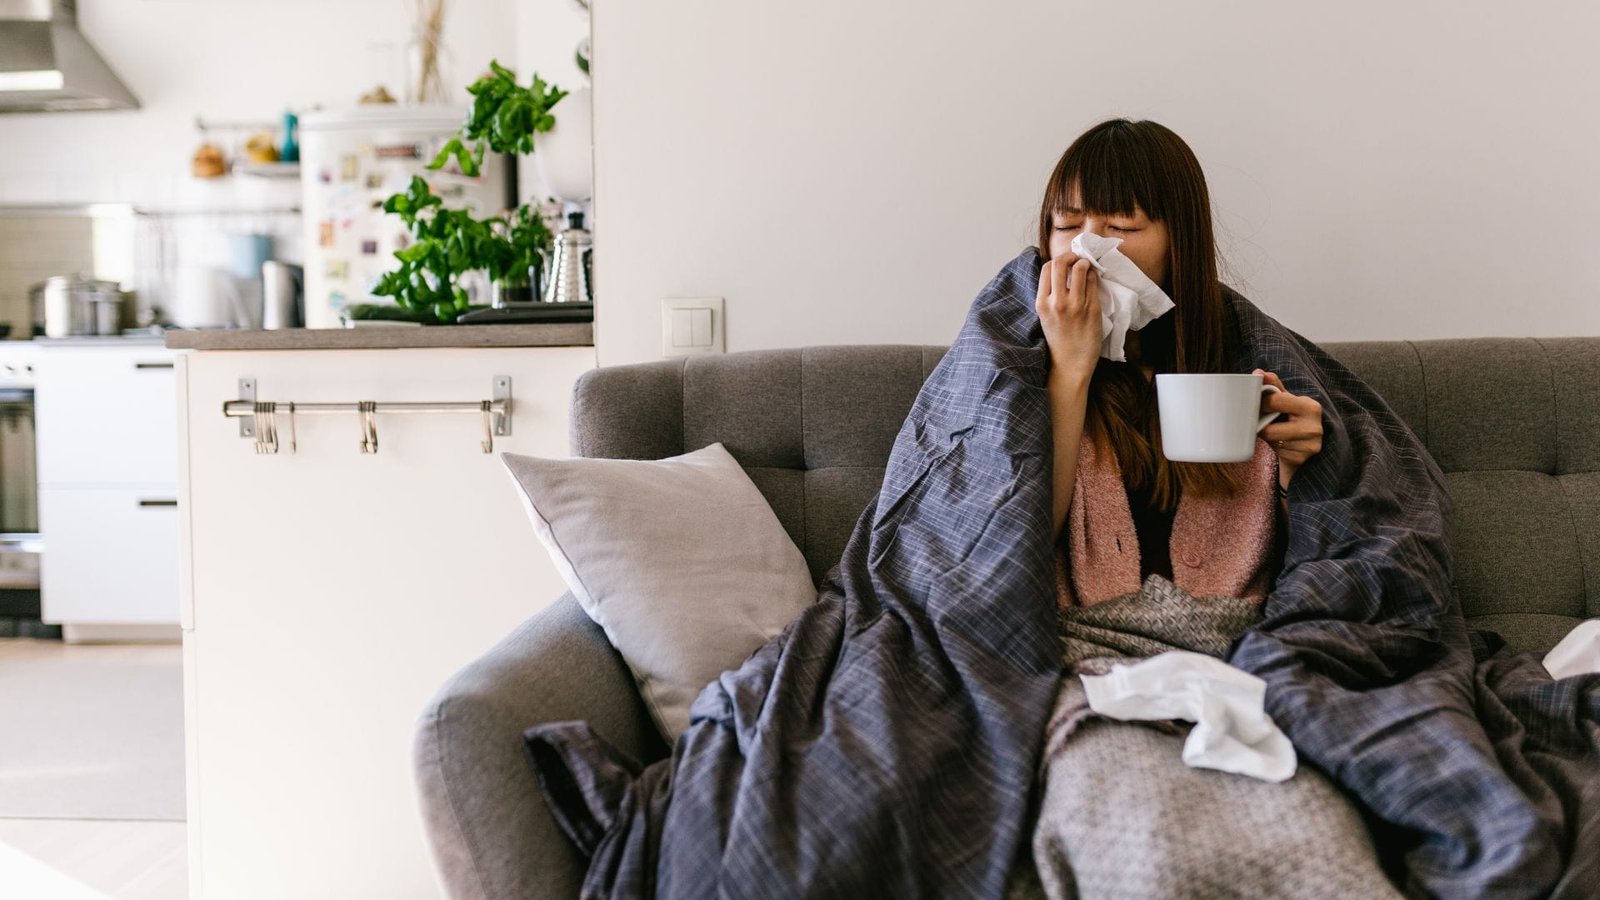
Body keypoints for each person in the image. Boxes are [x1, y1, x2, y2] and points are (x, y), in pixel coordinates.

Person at [1032, 118, 1324, 601]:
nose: (1085, 248)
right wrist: (1070, 368)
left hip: (1235, 640)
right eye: (1066, 225)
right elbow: (1011, 546)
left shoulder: (1246, 357)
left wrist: (1296, 471)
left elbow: (1316, 563)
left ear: (1179, 239)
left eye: (1121, 225)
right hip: (1086, 645)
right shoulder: (1017, 364)